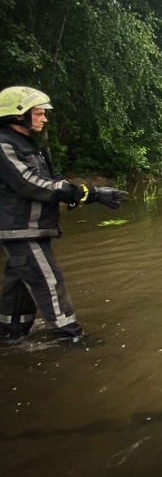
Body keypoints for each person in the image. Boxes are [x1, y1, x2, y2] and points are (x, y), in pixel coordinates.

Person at [0, 86, 129, 343]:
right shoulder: (3, 144)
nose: (44, 118)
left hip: (32, 226)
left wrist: (86, 195)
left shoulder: (32, 146)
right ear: (18, 115)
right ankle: (70, 336)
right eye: (38, 113)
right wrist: (86, 192)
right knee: (48, 280)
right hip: (21, 227)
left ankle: (9, 336)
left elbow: (53, 180)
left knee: (19, 285)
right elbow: (30, 183)